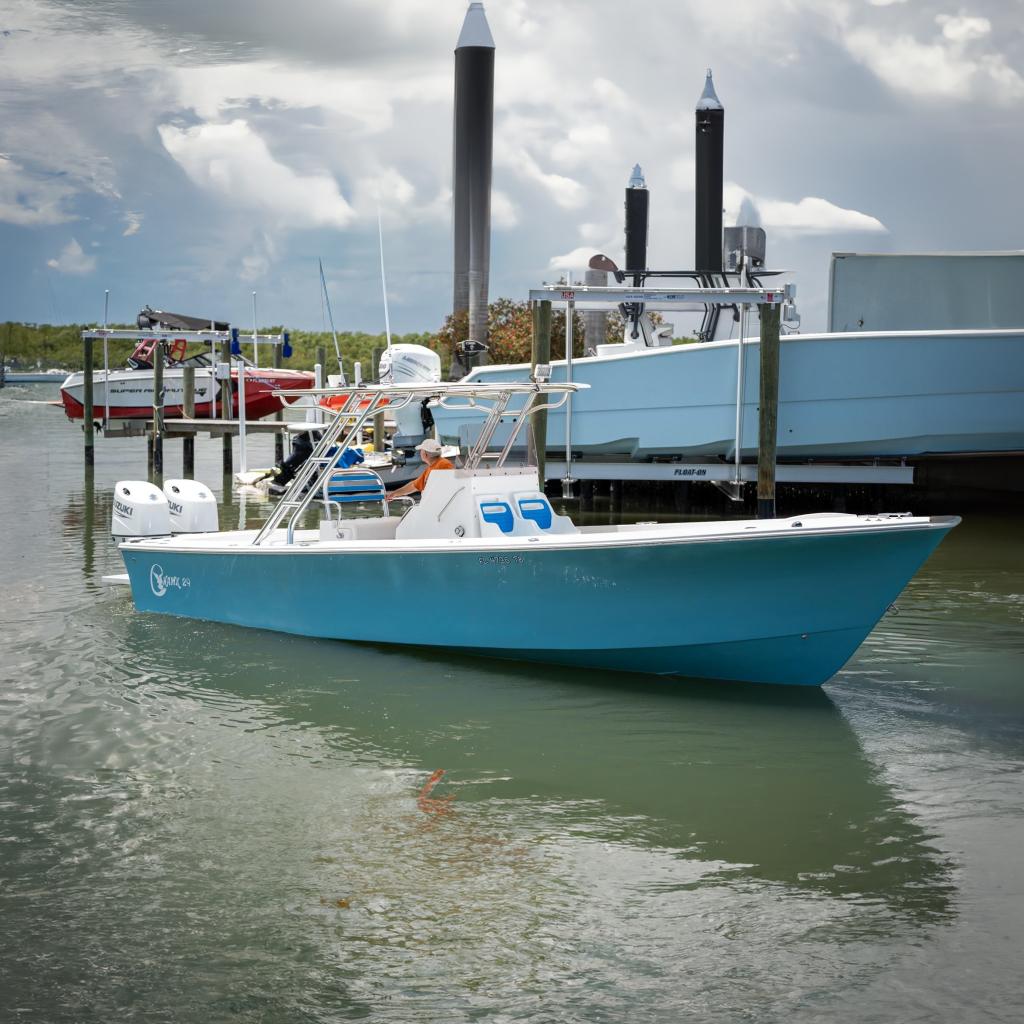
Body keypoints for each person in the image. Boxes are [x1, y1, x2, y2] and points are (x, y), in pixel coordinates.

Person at [388, 438, 454, 499]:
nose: (420, 453)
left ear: (425, 454)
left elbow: (448, 488)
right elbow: (413, 485)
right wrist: (394, 494)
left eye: (421, 451)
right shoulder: (433, 467)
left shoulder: (444, 464)